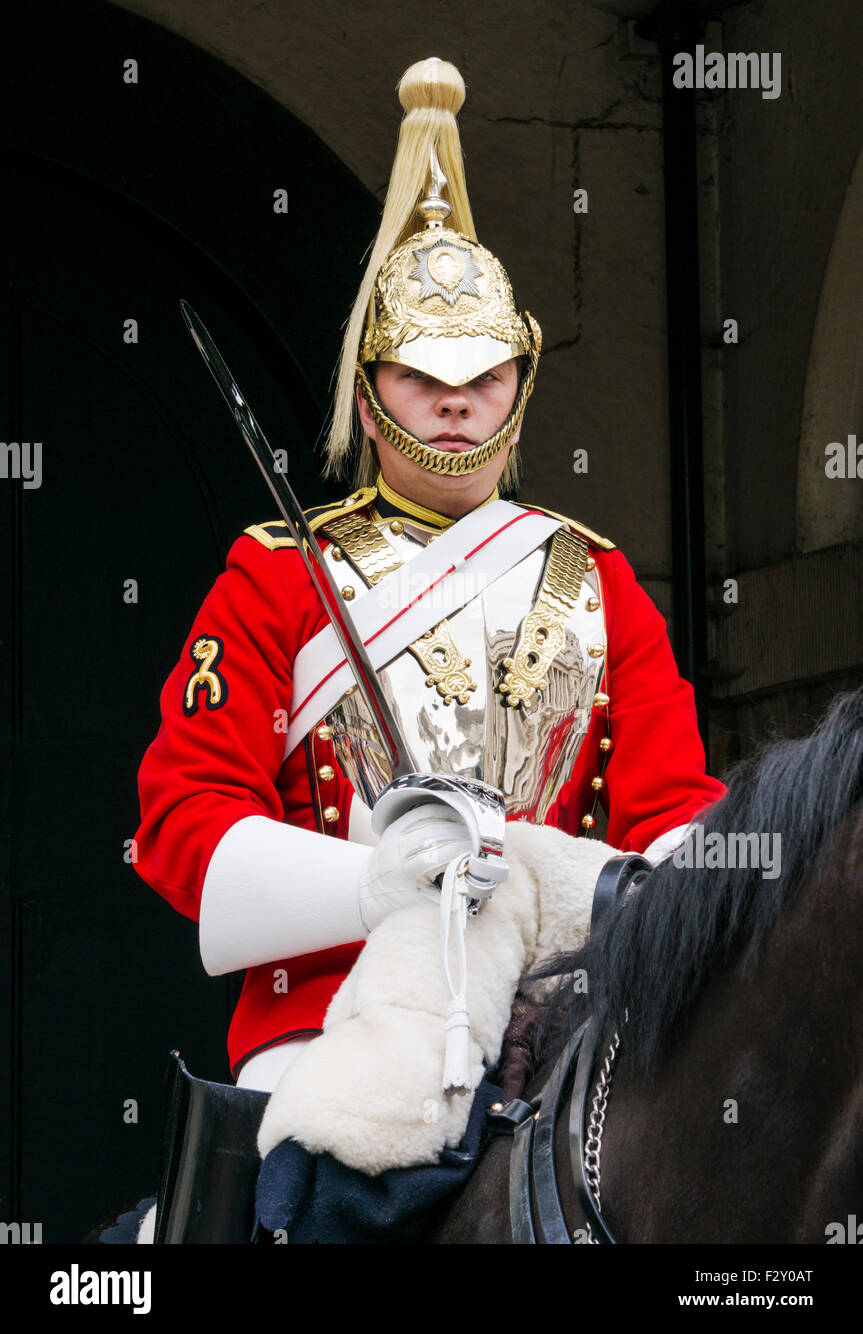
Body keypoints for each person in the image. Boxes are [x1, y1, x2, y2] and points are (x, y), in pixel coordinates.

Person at [133, 57, 725, 1105]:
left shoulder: (596, 581)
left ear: (518, 389)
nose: (454, 403)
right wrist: (374, 882)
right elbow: (183, 821)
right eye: (421, 376)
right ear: (369, 400)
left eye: (480, 376)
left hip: (567, 1021)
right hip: (329, 1016)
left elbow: (670, 805)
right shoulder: (277, 577)